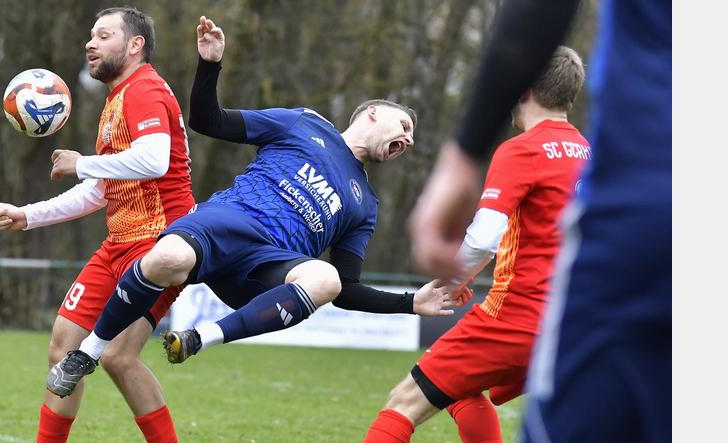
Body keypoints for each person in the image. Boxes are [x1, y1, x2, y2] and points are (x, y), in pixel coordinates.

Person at [44, 15, 457, 400]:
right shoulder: (304, 123)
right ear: (373, 114)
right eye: (404, 126)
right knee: (166, 256)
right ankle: (89, 352)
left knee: (326, 279)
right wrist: (210, 65)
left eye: (413, 135)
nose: (410, 139)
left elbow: (345, 290)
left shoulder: (365, 203)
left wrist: (409, 303)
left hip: (265, 264)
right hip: (227, 222)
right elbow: (209, 121)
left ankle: (197, 339)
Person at [281, 46, 591, 443]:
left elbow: (485, 236)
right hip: (574, 322)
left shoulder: (522, 150)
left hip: (519, 313)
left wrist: (448, 278)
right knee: (457, 385)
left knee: (405, 399)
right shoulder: (590, 153)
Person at [410, 1, 671, 443]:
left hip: (647, 202)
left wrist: (464, 152)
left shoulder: (524, 148)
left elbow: (537, 12)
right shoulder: (576, 145)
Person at [0, 7, 206, 443]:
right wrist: (28, 215)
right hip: (118, 244)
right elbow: (103, 190)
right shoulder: (115, 100)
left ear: (134, 47)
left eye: (103, 35)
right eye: (90, 34)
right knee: (64, 347)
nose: (90, 43)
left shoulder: (146, 90)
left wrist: (81, 160)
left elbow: (154, 160)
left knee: (117, 357)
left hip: (160, 245)